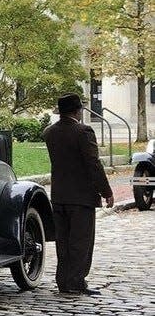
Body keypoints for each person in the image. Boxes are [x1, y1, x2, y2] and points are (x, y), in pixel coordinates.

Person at [42, 93, 114, 296]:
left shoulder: (49, 132)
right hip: (81, 197)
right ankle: (76, 281)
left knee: (63, 242)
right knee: (81, 242)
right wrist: (106, 191)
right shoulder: (84, 132)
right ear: (78, 110)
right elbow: (93, 164)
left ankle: (63, 281)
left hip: (59, 195)